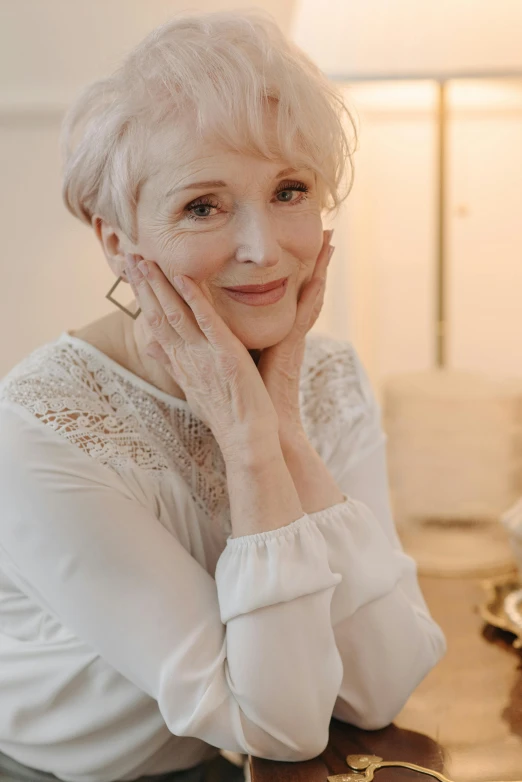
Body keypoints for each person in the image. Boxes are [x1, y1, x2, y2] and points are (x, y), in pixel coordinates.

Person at [0, 10, 446, 782]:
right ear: (117, 239)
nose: (263, 249)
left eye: (289, 190)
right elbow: (275, 726)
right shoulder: (40, 427)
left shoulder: (327, 374)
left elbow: (379, 688)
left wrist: (285, 435)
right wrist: (249, 445)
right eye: (203, 206)